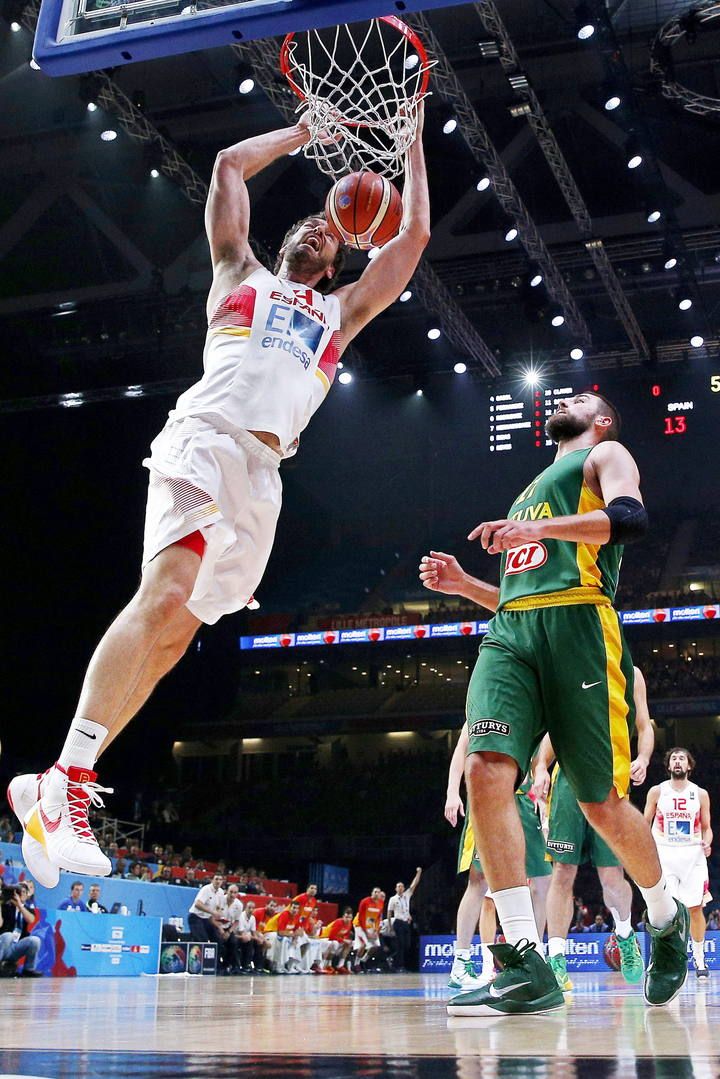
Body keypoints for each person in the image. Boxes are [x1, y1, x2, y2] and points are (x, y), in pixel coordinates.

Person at [8, 102, 430, 889]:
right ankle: (65, 779)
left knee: (172, 641)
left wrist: (410, 151)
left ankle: (51, 783)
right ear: (285, 240)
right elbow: (230, 165)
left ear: (337, 261)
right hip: (203, 438)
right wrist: (306, 135)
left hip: (261, 484)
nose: (316, 231)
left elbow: (411, 244)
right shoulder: (240, 273)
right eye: (308, 224)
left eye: (330, 234)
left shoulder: (341, 314)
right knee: (162, 589)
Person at [420, 390, 688, 1016]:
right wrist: (465, 585)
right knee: (486, 766)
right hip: (512, 630)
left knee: (600, 804)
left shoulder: (606, 453)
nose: (563, 396)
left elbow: (631, 517)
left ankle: (667, 919)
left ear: (602, 418)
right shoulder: (526, 492)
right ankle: (522, 956)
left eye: (580, 395)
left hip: (581, 628)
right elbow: (519, 595)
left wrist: (537, 528)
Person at [532, 665, 653, 992]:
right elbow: (556, 729)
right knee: (563, 871)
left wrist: (642, 757)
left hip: (610, 780)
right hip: (569, 778)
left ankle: (626, 934)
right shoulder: (573, 666)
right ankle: (556, 958)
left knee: (611, 876)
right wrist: (541, 766)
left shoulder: (631, 673)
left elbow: (644, 725)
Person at [446, 725, 551, 991]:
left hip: (525, 801)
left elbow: (542, 756)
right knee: (478, 882)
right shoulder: (485, 699)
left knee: (543, 883)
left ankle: (535, 958)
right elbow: (462, 747)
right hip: (488, 797)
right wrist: (452, 792)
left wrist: (542, 793)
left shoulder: (535, 707)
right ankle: (461, 963)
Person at [644, 747, 713, 979]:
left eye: (682, 758)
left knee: (695, 909)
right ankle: (666, 960)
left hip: (693, 856)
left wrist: (707, 842)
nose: (677, 761)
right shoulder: (657, 791)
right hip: (664, 854)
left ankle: (700, 960)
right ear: (668, 765)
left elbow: (706, 828)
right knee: (667, 912)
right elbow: (644, 824)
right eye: (673, 758)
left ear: (689, 766)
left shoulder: (700, 794)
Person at [0, 885, 41, 978]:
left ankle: (29, 969)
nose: (20, 895)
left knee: (35, 940)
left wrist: (20, 906)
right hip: (3, 943)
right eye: (18, 892)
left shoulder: (28, 909)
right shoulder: (6, 906)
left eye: (23, 892)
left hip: (15, 946)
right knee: (8, 936)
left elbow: (31, 919)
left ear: (27, 895)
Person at [387, 868, 422, 973]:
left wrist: (418, 873)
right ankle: (400, 966)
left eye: (402, 886)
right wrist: (390, 927)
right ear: (395, 889)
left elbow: (414, 884)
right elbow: (389, 913)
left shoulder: (407, 895)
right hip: (398, 923)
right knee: (401, 945)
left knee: (407, 945)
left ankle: (394, 960)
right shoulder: (393, 899)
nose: (400, 888)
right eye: (398, 886)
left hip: (406, 923)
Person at [187, 873, 225, 945]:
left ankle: (217, 956)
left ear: (222, 882)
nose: (218, 881)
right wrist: (212, 912)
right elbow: (198, 904)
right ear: (212, 880)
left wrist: (219, 917)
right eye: (216, 879)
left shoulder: (221, 892)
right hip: (196, 917)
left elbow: (218, 908)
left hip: (206, 919)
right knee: (202, 940)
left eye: (220, 879)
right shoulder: (206, 889)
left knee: (217, 939)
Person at [353, 887, 384, 967]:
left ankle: (363, 960)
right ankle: (356, 964)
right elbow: (361, 918)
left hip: (370, 926)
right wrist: (366, 933)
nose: (376, 893)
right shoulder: (365, 901)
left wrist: (376, 931)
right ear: (372, 893)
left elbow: (377, 918)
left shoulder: (381, 903)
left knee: (376, 946)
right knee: (363, 944)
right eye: (375, 892)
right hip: (359, 925)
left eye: (378, 892)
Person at [320, 908, 355, 974]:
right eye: (346, 917)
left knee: (349, 944)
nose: (347, 919)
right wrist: (344, 940)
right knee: (335, 944)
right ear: (343, 917)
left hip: (335, 939)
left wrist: (346, 941)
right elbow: (331, 937)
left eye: (349, 917)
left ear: (352, 918)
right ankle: (327, 965)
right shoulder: (338, 922)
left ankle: (340, 965)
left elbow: (345, 936)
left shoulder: (350, 924)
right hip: (325, 937)